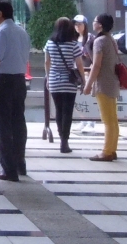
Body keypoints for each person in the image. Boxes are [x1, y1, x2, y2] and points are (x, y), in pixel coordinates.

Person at [0, 0, 31, 181]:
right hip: (19, 80)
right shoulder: (21, 31)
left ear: (0, 13)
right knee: (18, 123)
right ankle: (20, 164)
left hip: (3, 81)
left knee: (2, 124)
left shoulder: (1, 32)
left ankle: (8, 169)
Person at [44, 17, 86, 154]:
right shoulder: (73, 44)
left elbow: (47, 63)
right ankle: (64, 142)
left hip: (54, 80)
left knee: (59, 110)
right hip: (69, 82)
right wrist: (83, 80)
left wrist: (48, 78)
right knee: (67, 112)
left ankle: (61, 136)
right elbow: (79, 64)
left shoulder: (50, 43)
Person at [82, 13, 121, 161]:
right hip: (112, 81)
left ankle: (107, 152)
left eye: (95, 21)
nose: (93, 23)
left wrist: (88, 84)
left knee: (107, 120)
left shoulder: (99, 41)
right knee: (113, 119)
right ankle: (112, 149)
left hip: (103, 84)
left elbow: (97, 65)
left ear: (100, 25)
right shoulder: (110, 39)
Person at [73, 13, 97, 134]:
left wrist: (93, 67)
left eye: (80, 24)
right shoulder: (73, 38)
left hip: (87, 71)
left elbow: (95, 55)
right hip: (76, 72)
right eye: (75, 24)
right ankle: (83, 120)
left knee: (88, 96)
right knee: (79, 97)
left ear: (85, 25)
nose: (77, 26)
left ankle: (91, 122)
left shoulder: (91, 38)